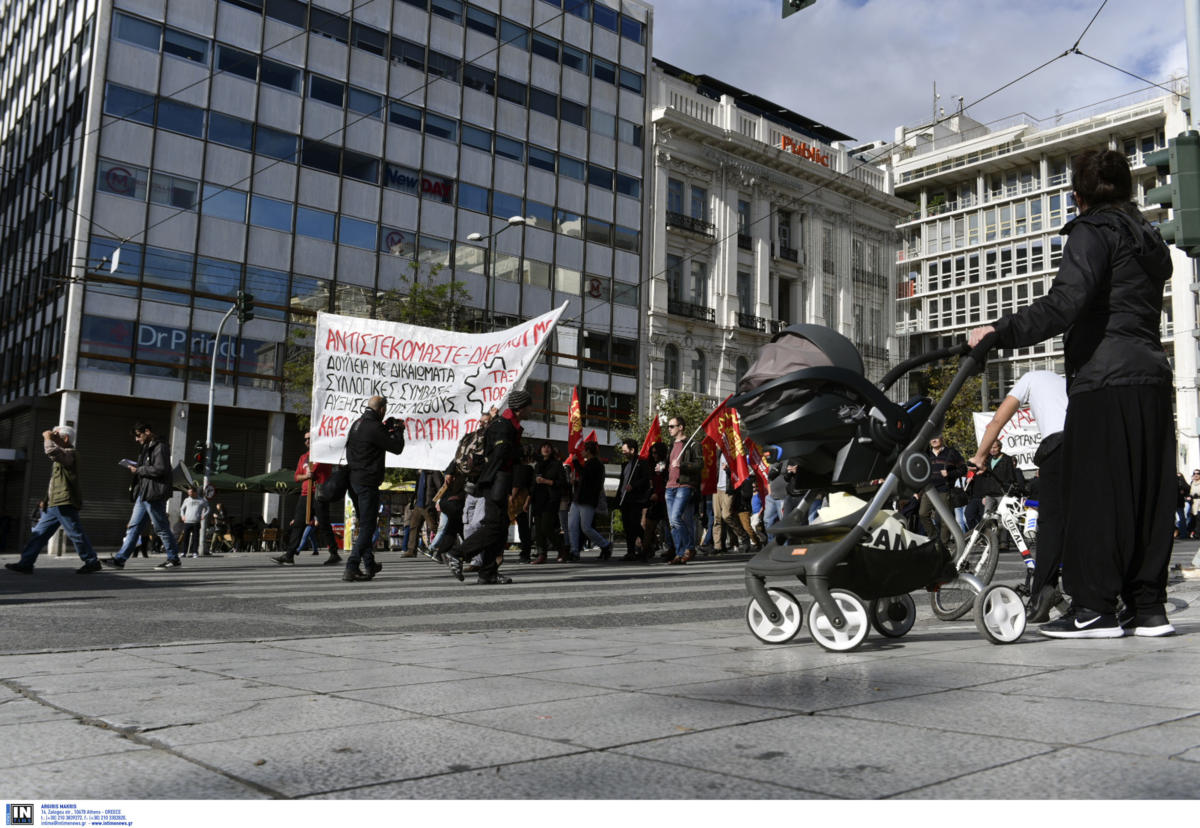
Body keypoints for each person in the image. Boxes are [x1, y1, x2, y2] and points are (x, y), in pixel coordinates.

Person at [968, 148, 1175, 639]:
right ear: (1127, 190)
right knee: (1148, 494)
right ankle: (1147, 608)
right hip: (1151, 377)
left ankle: (1095, 608)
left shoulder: (1092, 230)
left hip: (1103, 379)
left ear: (1076, 196)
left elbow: (1065, 303)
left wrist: (1000, 331)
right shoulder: (1148, 238)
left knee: (1097, 497)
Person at [970, 370, 1068, 623]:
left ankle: (1043, 593)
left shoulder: (1031, 378)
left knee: (1051, 524)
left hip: (1059, 447)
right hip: (1090, 446)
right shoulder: (1073, 382)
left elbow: (996, 422)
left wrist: (980, 456)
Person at [444, 390, 531, 584]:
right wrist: (520, 451)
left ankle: (488, 573)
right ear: (521, 408)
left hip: (499, 480)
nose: (530, 410)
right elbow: (500, 452)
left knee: (500, 527)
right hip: (496, 481)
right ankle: (457, 552)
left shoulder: (507, 424)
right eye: (529, 406)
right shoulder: (503, 425)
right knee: (494, 526)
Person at [5, 426, 101, 575]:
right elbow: (54, 482)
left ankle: (91, 561)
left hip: (64, 501)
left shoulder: (70, 454)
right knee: (39, 534)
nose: (53, 439)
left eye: (57, 436)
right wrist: (46, 499)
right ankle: (26, 563)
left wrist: (47, 437)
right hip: (54, 503)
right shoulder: (63, 454)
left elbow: (52, 452)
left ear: (66, 439)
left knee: (75, 532)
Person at [103, 421, 183, 571]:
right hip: (144, 493)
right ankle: (120, 560)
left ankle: (174, 559)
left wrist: (138, 469)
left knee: (161, 527)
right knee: (133, 527)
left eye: (138, 436)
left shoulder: (160, 446)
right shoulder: (147, 447)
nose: (136, 439)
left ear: (147, 431)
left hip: (153, 493)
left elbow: (160, 469)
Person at [343, 396, 405, 582]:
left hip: (353, 480)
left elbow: (370, 442)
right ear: (382, 410)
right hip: (367, 482)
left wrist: (386, 428)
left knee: (365, 525)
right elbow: (396, 447)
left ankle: (369, 564)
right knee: (368, 527)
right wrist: (398, 431)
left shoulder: (358, 423)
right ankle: (351, 566)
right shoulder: (374, 427)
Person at [272, 431, 340, 566]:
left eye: (309, 439)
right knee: (298, 524)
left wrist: (313, 469)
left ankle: (334, 554)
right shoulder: (303, 457)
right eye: (305, 440)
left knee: (324, 524)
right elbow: (296, 477)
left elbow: (322, 469)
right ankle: (289, 555)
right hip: (305, 494)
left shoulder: (324, 455)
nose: (307, 442)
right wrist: (306, 476)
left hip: (319, 494)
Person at [917, 434, 966, 549]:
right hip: (929, 489)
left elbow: (963, 469)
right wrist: (917, 490)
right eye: (931, 438)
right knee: (922, 513)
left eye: (936, 437)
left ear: (942, 439)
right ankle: (934, 539)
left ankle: (943, 545)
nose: (933, 440)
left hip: (944, 488)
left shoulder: (951, 453)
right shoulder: (926, 454)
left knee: (946, 518)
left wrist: (950, 474)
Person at [664, 416, 702, 565]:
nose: (669, 429)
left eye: (672, 426)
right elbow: (669, 465)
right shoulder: (671, 445)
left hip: (684, 485)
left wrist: (683, 465)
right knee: (672, 523)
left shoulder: (692, 444)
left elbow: (700, 464)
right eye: (668, 426)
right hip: (669, 486)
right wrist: (662, 468)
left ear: (680, 427)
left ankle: (690, 547)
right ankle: (680, 554)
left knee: (676, 518)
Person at [568, 439, 611, 561]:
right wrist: (576, 482)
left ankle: (605, 545)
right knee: (572, 525)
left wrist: (575, 463)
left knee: (586, 527)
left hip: (587, 500)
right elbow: (586, 479)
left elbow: (586, 476)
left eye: (583, 450)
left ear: (588, 451)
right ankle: (574, 551)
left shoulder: (595, 464)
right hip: (579, 498)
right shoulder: (590, 463)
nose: (581, 452)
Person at [617, 438, 650, 561]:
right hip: (624, 499)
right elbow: (622, 482)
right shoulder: (625, 465)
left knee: (635, 524)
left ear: (632, 450)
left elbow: (645, 479)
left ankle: (647, 545)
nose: (624, 453)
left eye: (625, 451)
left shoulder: (641, 463)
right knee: (627, 526)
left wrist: (634, 485)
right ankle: (630, 551)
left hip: (636, 499)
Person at [531, 442, 563, 565]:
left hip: (551, 499)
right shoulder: (537, 465)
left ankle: (561, 548)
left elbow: (561, 483)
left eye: (548, 447)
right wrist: (528, 500)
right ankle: (541, 554)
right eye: (543, 446)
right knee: (538, 529)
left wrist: (546, 481)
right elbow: (533, 484)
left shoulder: (557, 464)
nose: (546, 449)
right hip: (538, 498)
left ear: (552, 450)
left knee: (546, 526)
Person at [404, 469, 442, 558]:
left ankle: (444, 548)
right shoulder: (420, 474)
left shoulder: (434, 472)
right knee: (413, 526)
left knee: (433, 527)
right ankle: (411, 550)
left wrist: (436, 501)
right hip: (419, 504)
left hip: (428, 504)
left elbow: (440, 487)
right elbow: (417, 489)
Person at [178, 486, 209, 559]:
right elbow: (182, 509)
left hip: (196, 521)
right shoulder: (186, 500)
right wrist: (182, 516)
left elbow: (208, 508)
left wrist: (203, 515)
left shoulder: (201, 500)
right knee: (185, 538)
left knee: (196, 538)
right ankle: (184, 552)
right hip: (187, 521)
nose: (189, 494)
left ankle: (195, 552)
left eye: (191, 492)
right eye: (188, 492)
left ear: (195, 492)